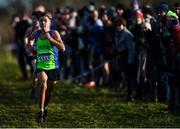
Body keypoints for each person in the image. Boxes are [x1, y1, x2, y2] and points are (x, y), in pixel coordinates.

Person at [29, 11, 65, 123]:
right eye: (41, 20)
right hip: (41, 66)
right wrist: (31, 49)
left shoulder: (54, 33)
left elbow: (63, 48)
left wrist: (50, 39)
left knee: (49, 91)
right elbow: (29, 39)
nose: (43, 22)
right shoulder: (37, 33)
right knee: (43, 84)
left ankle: (44, 108)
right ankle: (40, 112)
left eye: (45, 20)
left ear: (50, 22)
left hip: (53, 67)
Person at [24, 11, 43, 101]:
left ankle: (35, 90)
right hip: (32, 53)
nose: (34, 20)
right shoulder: (30, 29)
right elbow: (26, 38)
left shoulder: (43, 29)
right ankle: (36, 92)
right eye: (33, 19)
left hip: (42, 54)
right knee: (36, 71)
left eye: (35, 19)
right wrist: (28, 47)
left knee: (39, 76)